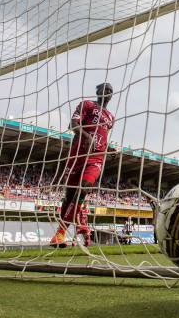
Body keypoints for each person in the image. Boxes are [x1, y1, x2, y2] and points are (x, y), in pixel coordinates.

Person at [50, 83, 115, 248]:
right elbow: (72, 124)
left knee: (83, 188)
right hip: (77, 155)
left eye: (110, 91)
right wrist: (86, 136)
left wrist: (108, 148)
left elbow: (102, 136)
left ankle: (63, 233)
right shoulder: (87, 104)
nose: (107, 92)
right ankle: (60, 235)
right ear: (97, 91)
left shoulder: (111, 117)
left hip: (96, 159)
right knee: (69, 197)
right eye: (105, 89)